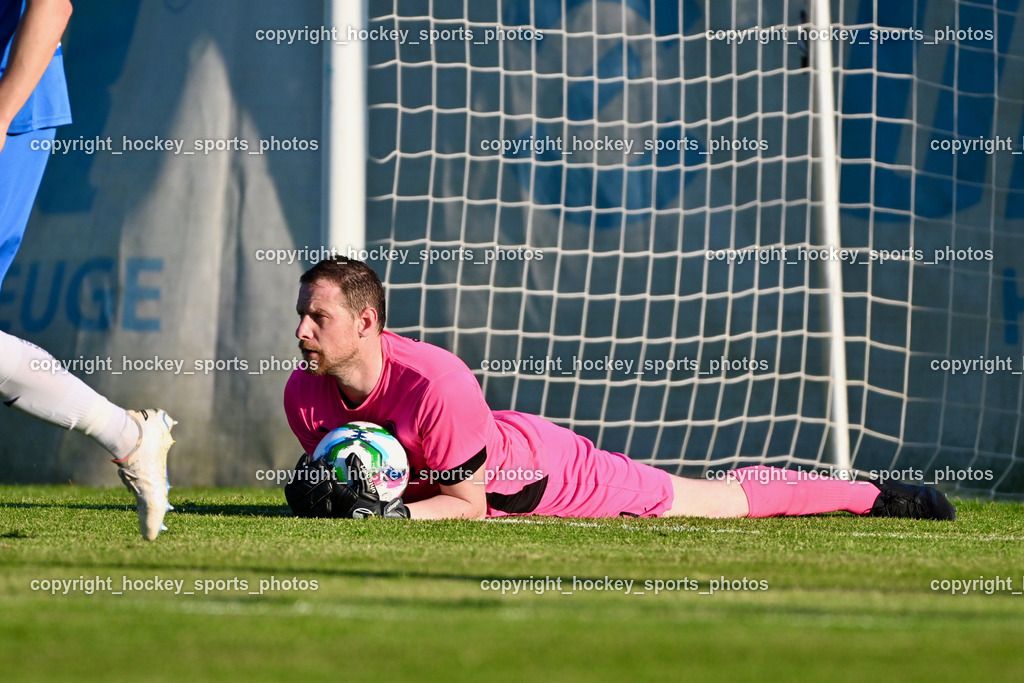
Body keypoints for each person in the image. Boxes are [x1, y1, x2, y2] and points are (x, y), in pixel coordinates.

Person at [283, 256, 955, 522]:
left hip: (546, 473)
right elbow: (372, 473)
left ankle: (871, 495)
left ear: (366, 321)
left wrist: (386, 515)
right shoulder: (301, 394)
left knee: (707, 501)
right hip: (486, 447)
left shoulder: (439, 384)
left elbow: (464, 503)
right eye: (302, 314)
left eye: (320, 317)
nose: (302, 329)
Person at [0, 0, 176, 540]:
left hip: (13, 109)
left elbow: (52, 5)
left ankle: (126, 435)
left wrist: (2, 113)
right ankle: (128, 437)